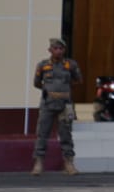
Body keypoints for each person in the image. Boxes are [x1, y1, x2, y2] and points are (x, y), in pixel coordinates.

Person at [32, 37, 82, 176]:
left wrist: (64, 89)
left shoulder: (71, 65)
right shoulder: (43, 65)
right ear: (50, 50)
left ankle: (69, 163)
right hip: (48, 104)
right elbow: (36, 83)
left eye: (61, 48)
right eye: (55, 48)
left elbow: (78, 80)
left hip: (65, 104)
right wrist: (49, 90)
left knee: (66, 134)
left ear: (64, 50)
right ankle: (39, 163)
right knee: (43, 133)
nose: (58, 51)